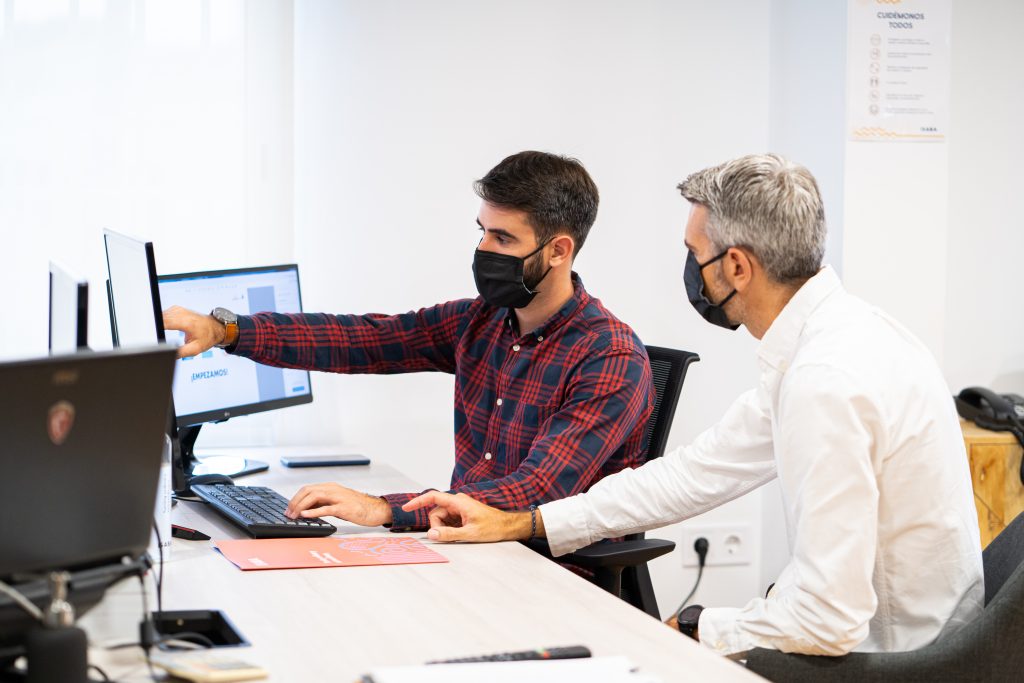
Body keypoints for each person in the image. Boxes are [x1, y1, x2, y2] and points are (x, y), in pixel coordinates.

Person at [404, 154, 984, 657]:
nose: (690, 269)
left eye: (693, 252)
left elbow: (827, 620)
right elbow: (696, 474)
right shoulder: (842, 338)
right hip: (908, 640)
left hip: (894, 663)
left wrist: (695, 628)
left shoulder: (825, 380)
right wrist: (529, 521)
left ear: (736, 266)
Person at [163, 150, 654, 532]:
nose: (483, 250)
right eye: (482, 232)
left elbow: (537, 489)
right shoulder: (481, 322)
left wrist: (385, 508)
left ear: (559, 250)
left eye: (503, 239)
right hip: (464, 547)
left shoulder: (609, 358)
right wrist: (226, 330)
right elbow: (364, 340)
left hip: (549, 570)